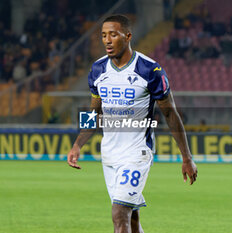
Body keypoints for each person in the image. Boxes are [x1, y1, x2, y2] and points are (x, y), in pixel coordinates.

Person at [67, 15, 198, 233]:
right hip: (109, 155)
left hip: (137, 153)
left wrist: (187, 157)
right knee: (133, 221)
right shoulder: (98, 70)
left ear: (127, 36)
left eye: (113, 34)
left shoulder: (150, 70)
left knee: (119, 215)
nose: (107, 40)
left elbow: (170, 113)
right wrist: (78, 144)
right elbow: (94, 112)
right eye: (103, 35)